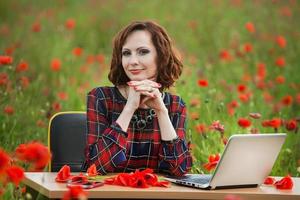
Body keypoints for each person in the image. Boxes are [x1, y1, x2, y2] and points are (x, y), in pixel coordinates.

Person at [84, 21, 192, 176]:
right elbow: (96, 165)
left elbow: (179, 169)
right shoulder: (101, 98)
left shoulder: (175, 105)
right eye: (126, 53)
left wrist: (161, 112)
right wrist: (129, 108)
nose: (132, 61)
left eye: (143, 52)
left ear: (161, 56)